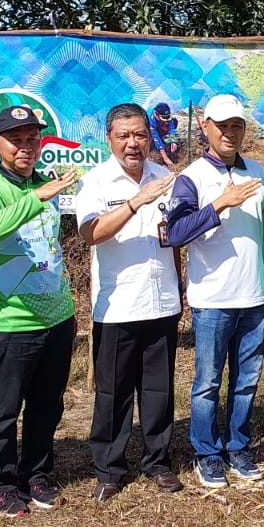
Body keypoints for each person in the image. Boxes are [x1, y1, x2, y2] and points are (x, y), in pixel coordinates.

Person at [0, 105, 78, 518]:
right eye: (17, 140)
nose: (27, 147)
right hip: (13, 321)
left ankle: (37, 474)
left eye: (33, 139)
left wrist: (40, 193)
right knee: (4, 408)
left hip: (57, 316)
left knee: (48, 403)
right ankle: (0, 483)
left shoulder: (43, 183)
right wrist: (36, 198)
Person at [162, 94, 264, 488]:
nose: (230, 132)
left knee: (246, 380)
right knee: (208, 382)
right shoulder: (191, 177)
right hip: (212, 301)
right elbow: (174, 233)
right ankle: (207, 453)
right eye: (222, 125)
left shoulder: (258, 171)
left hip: (254, 297)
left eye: (237, 125)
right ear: (205, 127)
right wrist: (220, 204)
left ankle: (239, 446)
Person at [76, 103, 183, 501]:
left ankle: (157, 461)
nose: (133, 143)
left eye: (140, 134)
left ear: (150, 136)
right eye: (124, 136)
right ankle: (109, 468)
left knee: (159, 390)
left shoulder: (165, 178)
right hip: (118, 306)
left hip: (162, 301)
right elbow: (91, 233)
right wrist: (135, 202)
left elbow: (171, 236)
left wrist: (181, 285)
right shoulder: (97, 182)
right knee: (114, 393)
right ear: (110, 139)